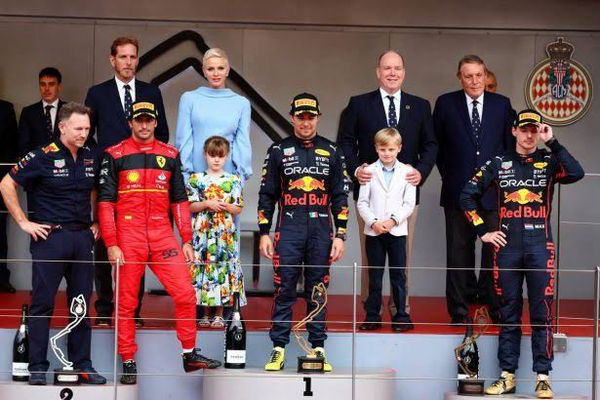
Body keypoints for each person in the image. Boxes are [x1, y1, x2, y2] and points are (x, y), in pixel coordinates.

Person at [460, 109, 584, 398]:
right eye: (525, 129)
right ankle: (508, 376)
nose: (530, 135)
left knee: (542, 314)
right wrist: (483, 231)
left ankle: (543, 376)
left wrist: (552, 141)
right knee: (509, 314)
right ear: (514, 130)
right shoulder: (498, 162)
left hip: (541, 245)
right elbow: (466, 194)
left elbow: (576, 172)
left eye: (534, 130)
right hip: (507, 248)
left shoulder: (550, 161)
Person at [98, 101, 221, 385]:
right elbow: (105, 203)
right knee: (126, 303)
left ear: (155, 123)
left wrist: (187, 240)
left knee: (186, 294)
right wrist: (111, 243)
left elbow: (179, 200)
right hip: (128, 236)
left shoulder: (170, 154)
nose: (143, 125)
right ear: (130, 122)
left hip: (162, 234)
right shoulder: (113, 154)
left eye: (148, 121)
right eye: (138, 120)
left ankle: (189, 353)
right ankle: (128, 360)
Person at [0, 102, 106, 385]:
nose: (84, 133)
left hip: (82, 238)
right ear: (62, 127)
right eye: (78, 128)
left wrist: (96, 222)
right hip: (50, 238)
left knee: (81, 304)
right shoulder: (41, 156)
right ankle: (37, 367)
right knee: (42, 304)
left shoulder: (91, 156)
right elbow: (6, 184)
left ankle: (82, 364)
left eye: (87, 128)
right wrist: (24, 222)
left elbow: (95, 189)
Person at [338, 50, 437, 318]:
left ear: (404, 72)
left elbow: (431, 144)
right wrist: (356, 168)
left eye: (397, 68)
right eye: (387, 68)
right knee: (372, 257)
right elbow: (345, 142)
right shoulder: (358, 104)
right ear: (378, 72)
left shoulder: (420, 106)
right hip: (369, 194)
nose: (392, 73)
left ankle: (400, 309)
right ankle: (371, 310)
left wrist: (422, 171)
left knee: (401, 257)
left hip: (405, 196)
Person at [258, 93, 350, 372]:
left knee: (318, 290)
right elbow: (267, 194)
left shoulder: (333, 151)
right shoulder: (277, 150)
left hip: (322, 229)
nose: (306, 122)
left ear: (318, 118)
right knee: (283, 287)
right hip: (289, 228)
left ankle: (318, 348)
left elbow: (340, 196)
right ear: (292, 118)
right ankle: (278, 349)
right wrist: (264, 232)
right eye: (301, 117)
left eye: (311, 117)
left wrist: (341, 234)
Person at [86, 36, 169, 327]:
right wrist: (99, 170)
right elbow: (87, 137)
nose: (128, 63)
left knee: (138, 244)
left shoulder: (151, 91)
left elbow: (164, 134)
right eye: (123, 57)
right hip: (108, 179)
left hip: (142, 180)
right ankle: (106, 310)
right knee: (103, 243)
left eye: (133, 57)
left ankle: (132, 311)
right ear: (112, 60)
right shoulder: (97, 93)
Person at [433, 54, 515, 325]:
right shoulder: (446, 103)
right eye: (468, 76)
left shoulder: (501, 105)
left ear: (485, 75)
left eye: (478, 75)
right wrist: (456, 179)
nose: (474, 80)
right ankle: (458, 311)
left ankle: (493, 307)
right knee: (459, 252)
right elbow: (438, 148)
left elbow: (508, 149)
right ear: (460, 77)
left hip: (493, 192)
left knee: (494, 253)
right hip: (457, 191)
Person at [357, 128, 416, 332]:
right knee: (374, 276)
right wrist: (374, 222)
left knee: (398, 276)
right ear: (376, 148)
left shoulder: (408, 172)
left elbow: (409, 203)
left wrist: (392, 221)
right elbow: (362, 203)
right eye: (382, 149)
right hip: (374, 232)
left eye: (391, 149)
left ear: (399, 148)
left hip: (397, 231)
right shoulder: (368, 172)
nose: (387, 153)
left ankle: (401, 315)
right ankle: (372, 315)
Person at [187, 136, 246, 328]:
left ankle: (220, 314)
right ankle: (204, 312)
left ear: (227, 156)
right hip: (203, 233)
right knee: (204, 268)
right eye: (212, 155)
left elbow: (238, 208)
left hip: (224, 234)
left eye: (220, 156)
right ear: (205, 155)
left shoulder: (233, 180)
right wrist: (206, 204)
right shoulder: (196, 179)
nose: (216, 160)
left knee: (222, 268)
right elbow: (190, 206)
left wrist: (224, 206)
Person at [175, 47, 252, 183]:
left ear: (227, 70)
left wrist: (239, 180)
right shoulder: (189, 99)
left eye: (221, 68)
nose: (216, 73)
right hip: (195, 180)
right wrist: (187, 179)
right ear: (204, 71)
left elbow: (243, 144)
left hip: (229, 181)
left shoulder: (241, 103)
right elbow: (183, 141)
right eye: (210, 69)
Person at [18, 67, 66, 157]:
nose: (46, 89)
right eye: (43, 84)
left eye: (51, 84)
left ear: (59, 87)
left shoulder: (70, 111)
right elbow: (23, 145)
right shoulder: (28, 113)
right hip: (37, 166)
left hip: (65, 164)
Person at [0, 99, 18, 293]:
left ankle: (1, 277)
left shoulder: (5, 108)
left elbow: (12, 146)